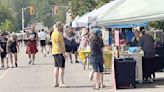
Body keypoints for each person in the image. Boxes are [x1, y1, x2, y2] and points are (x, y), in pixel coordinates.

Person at [51, 21, 67, 88]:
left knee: (56, 67)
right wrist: (63, 52)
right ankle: (61, 82)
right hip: (59, 52)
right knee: (61, 67)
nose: (62, 27)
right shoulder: (57, 34)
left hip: (55, 52)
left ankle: (56, 82)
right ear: (58, 26)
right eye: (61, 26)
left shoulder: (53, 33)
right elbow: (58, 44)